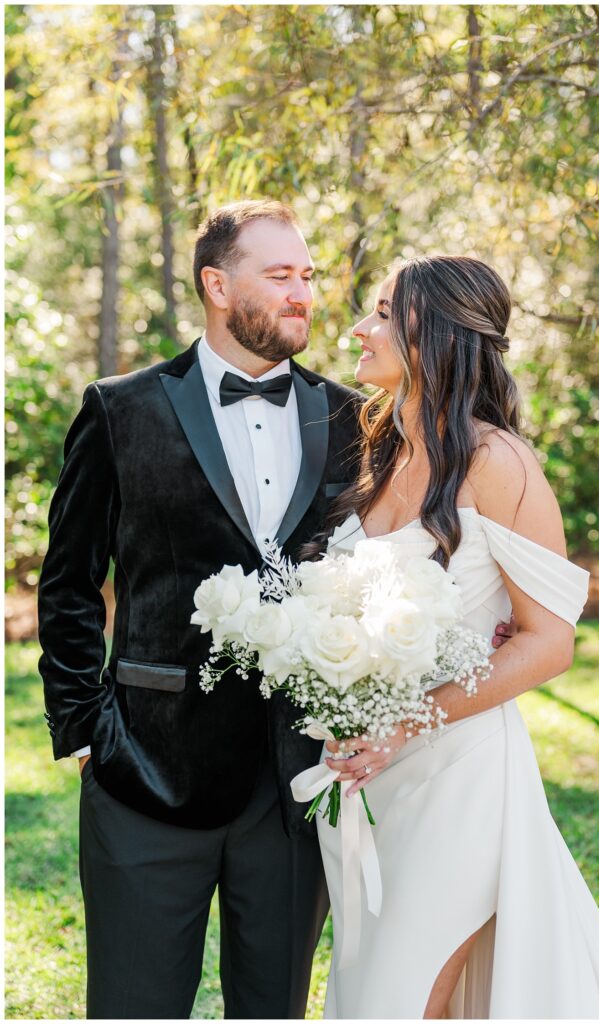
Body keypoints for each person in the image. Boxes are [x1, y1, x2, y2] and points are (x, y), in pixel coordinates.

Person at [37, 199, 365, 1019]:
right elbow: (70, 579)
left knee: (273, 1009)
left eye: (309, 277)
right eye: (280, 275)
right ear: (218, 284)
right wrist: (85, 730)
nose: (303, 294)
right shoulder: (121, 408)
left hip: (297, 781)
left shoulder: (353, 417)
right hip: (146, 773)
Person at [315, 255, 599, 1019]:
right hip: (372, 782)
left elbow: (547, 640)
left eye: (378, 313)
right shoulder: (382, 452)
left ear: (430, 333)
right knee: (369, 988)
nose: (358, 331)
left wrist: (406, 722)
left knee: (400, 997)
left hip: (458, 774)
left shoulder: (499, 461)